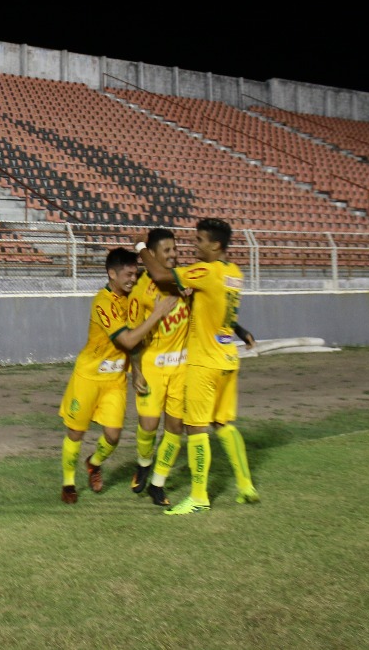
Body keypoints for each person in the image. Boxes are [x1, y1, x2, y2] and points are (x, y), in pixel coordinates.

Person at [138, 218, 259, 515]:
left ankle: (199, 496)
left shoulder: (206, 271)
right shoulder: (234, 273)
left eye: (199, 240)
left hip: (204, 362)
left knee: (195, 428)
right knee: (223, 424)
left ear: (215, 245)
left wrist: (142, 247)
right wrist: (241, 332)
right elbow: (219, 310)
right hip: (228, 359)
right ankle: (245, 486)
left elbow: (159, 274)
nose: (194, 246)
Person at [59, 246, 178, 504]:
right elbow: (126, 340)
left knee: (113, 436)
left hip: (115, 380)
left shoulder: (131, 298)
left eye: (135, 275)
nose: (133, 280)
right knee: (76, 432)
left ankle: (94, 463)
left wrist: (137, 372)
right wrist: (157, 314)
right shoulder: (103, 303)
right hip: (88, 377)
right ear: (112, 274)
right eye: (128, 275)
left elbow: (136, 342)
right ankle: (68, 483)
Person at [125, 227, 193, 508]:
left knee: (175, 427)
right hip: (152, 366)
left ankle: (158, 484)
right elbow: (132, 334)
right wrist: (136, 370)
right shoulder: (140, 290)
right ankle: (143, 463)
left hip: (182, 368)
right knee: (149, 426)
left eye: (175, 249)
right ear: (152, 255)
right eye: (167, 250)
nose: (174, 255)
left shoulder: (185, 278)